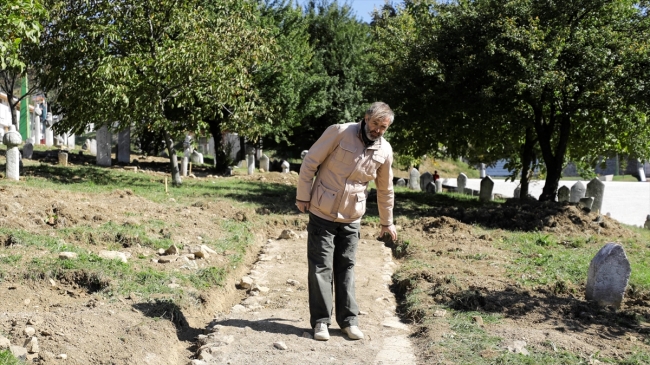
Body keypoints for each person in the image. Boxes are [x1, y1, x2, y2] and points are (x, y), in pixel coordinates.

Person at [295, 102, 397, 341]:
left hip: (353, 216)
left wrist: (387, 222)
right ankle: (321, 322)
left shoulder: (385, 150)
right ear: (365, 118)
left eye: (384, 127)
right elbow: (310, 162)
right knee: (321, 267)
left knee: (346, 267)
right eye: (375, 124)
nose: (378, 131)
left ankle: (349, 321)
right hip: (322, 210)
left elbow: (385, 189)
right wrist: (303, 195)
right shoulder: (340, 132)